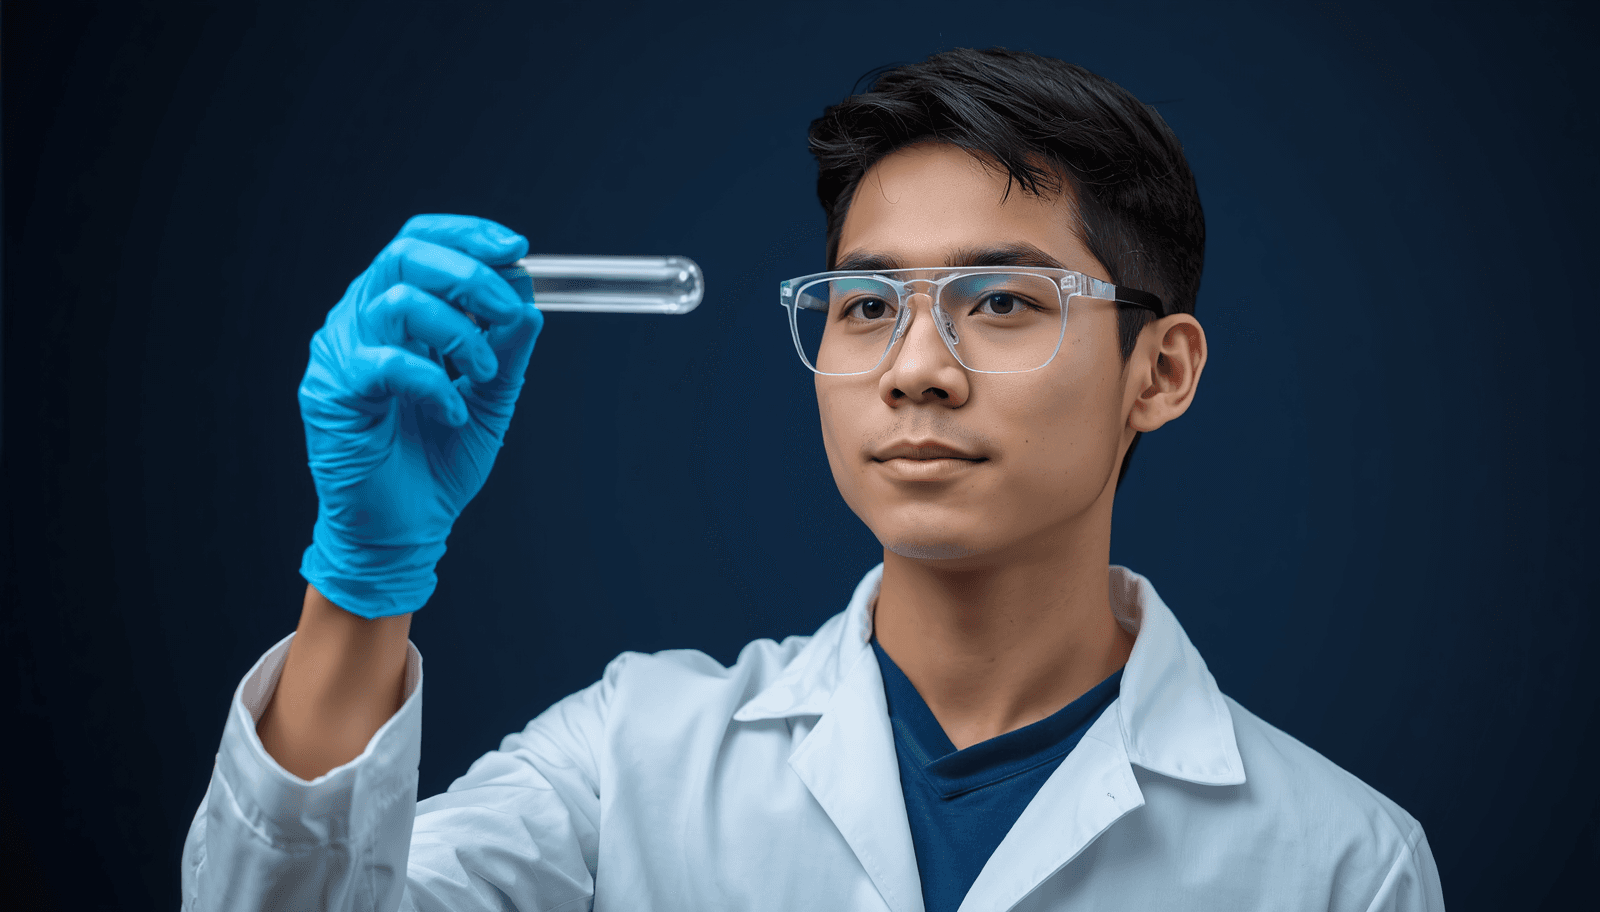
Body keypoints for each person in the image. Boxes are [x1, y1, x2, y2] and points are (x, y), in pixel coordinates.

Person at [181, 47, 1445, 911]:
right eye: (864, 303)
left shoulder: (1341, 861)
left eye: (1001, 300)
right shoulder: (636, 756)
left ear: (1159, 372)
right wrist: (361, 577)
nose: (915, 370)